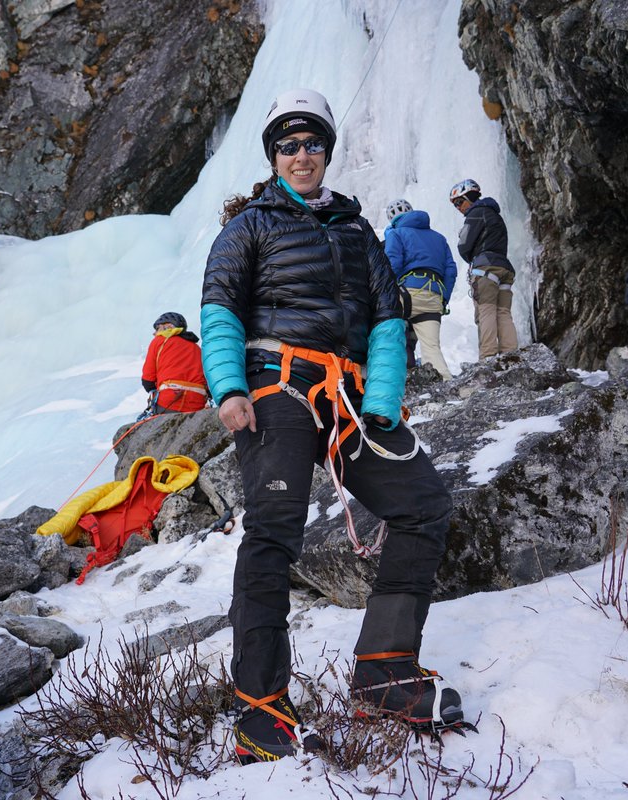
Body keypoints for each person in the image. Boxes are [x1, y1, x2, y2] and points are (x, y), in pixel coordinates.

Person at [201, 88, 465, 766]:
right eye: (288, 146)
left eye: (312, 144)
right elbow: (221, 308)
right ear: (273, 156)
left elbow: (386, 319)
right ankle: (260, 703)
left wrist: (382, 402)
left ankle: (384, 670)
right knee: (274, 527)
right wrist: (229, 388)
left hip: (348, 398)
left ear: (326, 152)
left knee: (422, 505)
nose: (301, 156)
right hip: (277, 387)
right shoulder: (249, 228)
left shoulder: (356, 231)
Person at [384, 199, 457, 379]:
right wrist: (443, 298)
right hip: (433, 296)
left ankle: (401, 376)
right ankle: (447, 385)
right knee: (431, 348)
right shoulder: (439, 238)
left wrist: (385, 291)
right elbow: (451, 271)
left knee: (391, 334)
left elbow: (393, 263)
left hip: (408, 292)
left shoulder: (396, 233)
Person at [451, 179, 518, 359]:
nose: (458, 207)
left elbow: (464, 246)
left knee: (486, 310)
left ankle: (488, 356)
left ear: (470, 197)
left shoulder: (476, 214)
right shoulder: (494, 215)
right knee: (503, 312)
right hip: (504, 268)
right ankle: (510, 354)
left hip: (485, 269)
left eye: (459, 202)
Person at [139, 312, 208, 415]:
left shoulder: (159, 342)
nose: (155, 333)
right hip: (197, 402)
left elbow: (148, 380)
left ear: (166, 326)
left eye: (158, 328)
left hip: (168, 400)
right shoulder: (197, 349)